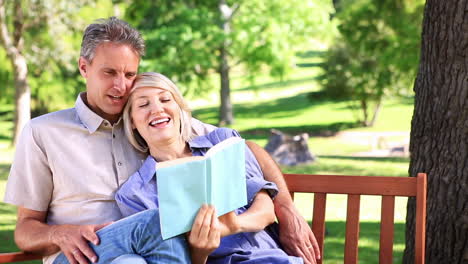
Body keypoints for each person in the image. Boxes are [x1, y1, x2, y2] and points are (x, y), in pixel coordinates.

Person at [3, 16, 319, 264]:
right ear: (84, 68)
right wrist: (60, 234)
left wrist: (286, 207)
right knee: (158, 221)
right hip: (83, 253)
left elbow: (244, 147)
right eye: (109, 73)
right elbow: (24, 229)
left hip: (146, 255)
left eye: (129, 75)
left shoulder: (148, 120)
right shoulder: (43, 132)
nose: (121, 85)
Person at [116, 72, 303, 263]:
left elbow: (266, 210)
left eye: (165, 99)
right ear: (132, 121)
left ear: (179, 108)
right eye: (143, 104)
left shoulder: (223, 142)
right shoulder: (134, 194)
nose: (157, 109)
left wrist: (232, 226)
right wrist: (200, 251)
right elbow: (169, 259)